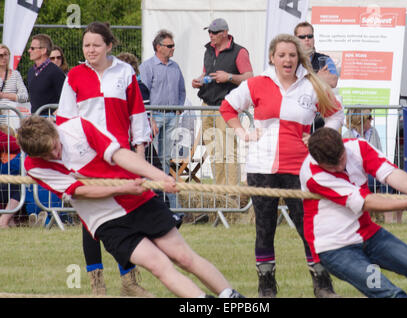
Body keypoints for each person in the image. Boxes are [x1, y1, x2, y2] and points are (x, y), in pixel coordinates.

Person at [17, 115, 244, 299]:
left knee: (183, 256)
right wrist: (122, 189)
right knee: (158, 265)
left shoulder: (79, 127)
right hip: (105, 221)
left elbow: (120, 155)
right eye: (47, 155)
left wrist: (160, 177)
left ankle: (231, 297)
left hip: (138, 200)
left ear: (55, 131)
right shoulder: (32, 166)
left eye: (55, 147)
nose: (55, 155)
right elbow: (80, 191)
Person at [220, 34, 344, 298]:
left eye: (292, 54)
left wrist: (321, 138)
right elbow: (227, 107)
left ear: (298, 57)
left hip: (300, 168)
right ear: (272, 58)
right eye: (281, 55)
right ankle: (266, 286)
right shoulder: (256, 83)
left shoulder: (312, 85)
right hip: (261, 168)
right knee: (264, 228)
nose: (287, 59)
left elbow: (336, 113)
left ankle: (322, 284)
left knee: (307, 226)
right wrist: (243, 133)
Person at [57, 22, 152, 296]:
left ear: (109, 45)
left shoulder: (125, 72)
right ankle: (97, 284)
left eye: (96, 45)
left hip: (121, 157)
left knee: (125, 218)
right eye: (86, 45)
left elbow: (137, 114)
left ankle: (130, 281)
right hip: (87, 159)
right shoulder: (74, 75)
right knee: (90, 222)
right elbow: (64, 120)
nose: (90, 50)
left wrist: (140, 155)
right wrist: (69, 162)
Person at [300, 127, 407, 298]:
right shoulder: (312, 175)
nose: (341, 166)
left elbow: (391, 174)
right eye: (333, 166)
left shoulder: (358, 147)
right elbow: (366, 202)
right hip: (336, 248)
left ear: (343, 144)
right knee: (391, 294)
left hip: (369, 234)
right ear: (318, 161)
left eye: (342, 158)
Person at [192, 18, 253, 186]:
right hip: (207, 104)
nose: (210, 35)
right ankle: (219, 193)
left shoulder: (239, 52)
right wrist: (199, 80)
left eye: (214, 32)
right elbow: (206, 73)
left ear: (225, 33)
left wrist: (229, 77)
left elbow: (249, 77)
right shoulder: (209, 50)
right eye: (209, 32)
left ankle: (232, 195)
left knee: (227, 150)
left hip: (226, 106)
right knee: (213, 150)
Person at [139, 30, 186, 209]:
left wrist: (179, 109)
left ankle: (164, 198)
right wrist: (148, 117)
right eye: (170, 46)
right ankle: (154, 197)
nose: (173, 48)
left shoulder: (175, 67)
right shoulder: (147, 66)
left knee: (166, 158)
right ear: (159, 47)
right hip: (154, 117)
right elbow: (143, 93)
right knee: (153, 158)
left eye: (173, 45)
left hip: (171, 116)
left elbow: (182, 90)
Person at [343, 108, 402, 224]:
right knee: (376, 180)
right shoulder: (347, 136)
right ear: (361, 121)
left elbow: (379, 151)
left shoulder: (373, 132)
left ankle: (388, 215)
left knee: (389, 179)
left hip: (372, 169)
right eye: (369, 117)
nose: (372, 119)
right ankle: (386, 214)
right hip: (358, 172)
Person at [294, 21, 339, 131]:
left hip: (319, 117)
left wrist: (305, 79)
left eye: (310, 36)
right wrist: (318, 77)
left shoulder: (324, 59)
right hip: (296, 115)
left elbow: (333, 81)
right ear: (295, 40)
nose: (306, 39)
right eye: (302, 37)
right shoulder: (290, 60)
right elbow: (289, 82)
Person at [27, 34, 65, 114]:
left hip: (50, 124)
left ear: (43, 50)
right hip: (35, 121)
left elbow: (67, 99)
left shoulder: (56, 72)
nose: (29, 50)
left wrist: (53, 118)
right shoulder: (31, 71)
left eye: (32, 48)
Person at [0, 44, 29, 126]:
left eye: (5, 54)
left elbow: (25, 96)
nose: (3, 57)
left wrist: (4, 96)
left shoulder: (15, 74)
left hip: (11, 119)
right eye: (0, 55)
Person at [0, 124, 21, 228]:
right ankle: (4, 220)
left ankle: (9, 220)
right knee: (19, 187)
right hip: (5, 188)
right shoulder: (13, 158)